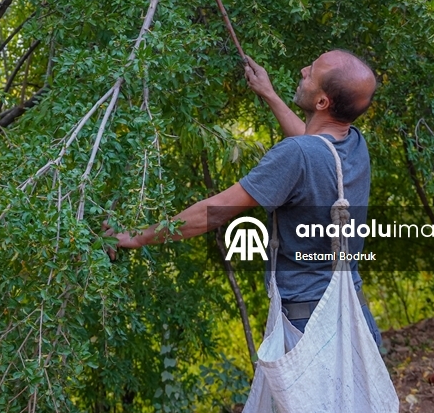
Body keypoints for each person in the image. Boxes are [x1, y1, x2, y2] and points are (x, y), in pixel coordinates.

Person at [106, 49, 382, 346]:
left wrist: (138, 237)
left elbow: (216, 211)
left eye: (311, 72)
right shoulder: (352, 143)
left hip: (311, 331)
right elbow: (310, 141)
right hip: (355, 319)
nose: (303, 70)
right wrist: (269, 94)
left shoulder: (296, 156)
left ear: (322, 102)